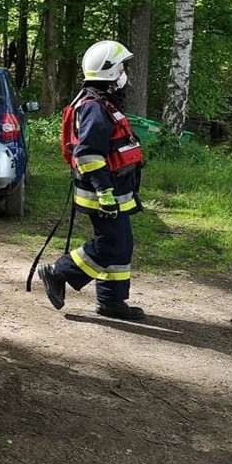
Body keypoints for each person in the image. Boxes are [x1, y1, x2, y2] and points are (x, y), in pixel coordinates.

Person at [37, 40, 146, 320]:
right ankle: (58, 272)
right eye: (121, 67)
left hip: (114, 191)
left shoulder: (101, 102)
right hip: (104, 194)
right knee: (112, 244)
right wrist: (104, 192)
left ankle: (111, 301)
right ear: (109, 72)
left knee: (123, 244)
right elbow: (88, 154)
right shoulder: (95, 107)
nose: (124, 72)